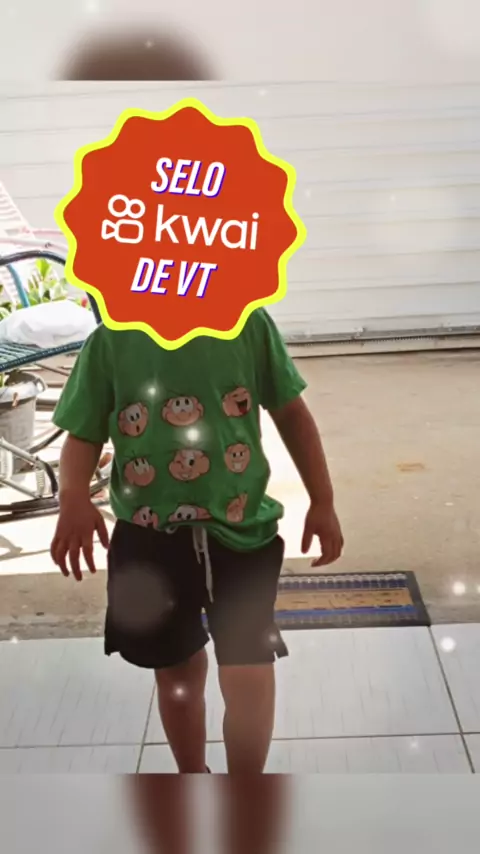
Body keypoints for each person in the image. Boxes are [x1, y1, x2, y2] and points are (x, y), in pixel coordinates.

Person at [50, 308, 344, 773]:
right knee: (176, 671)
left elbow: (291, 411)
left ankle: (246, 788)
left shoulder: (248, 323)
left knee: (248, 669)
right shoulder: (112, 339)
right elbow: (82, 433)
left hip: (242, 536)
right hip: (150, 542)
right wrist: (72, 499)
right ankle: (191, 777)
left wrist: (322, 500)